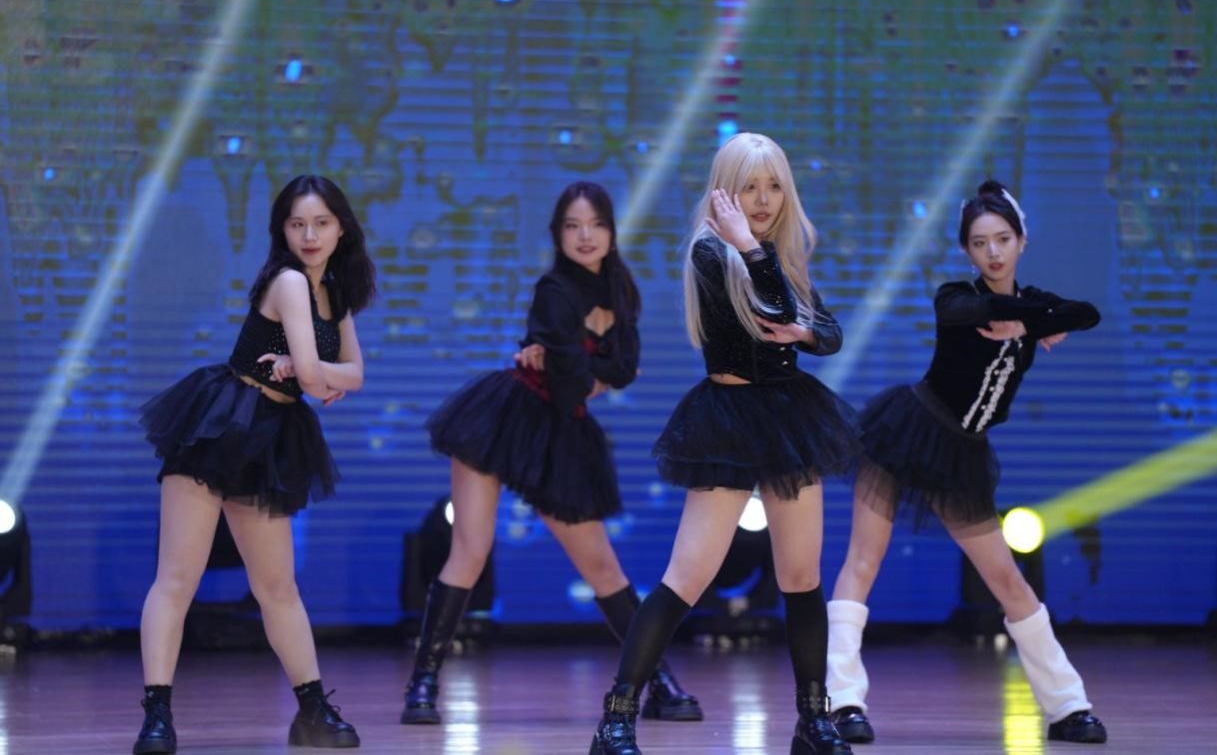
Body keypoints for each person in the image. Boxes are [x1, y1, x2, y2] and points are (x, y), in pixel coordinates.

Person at [589, 132, 863, 755]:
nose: (763, 200)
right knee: (687, 576)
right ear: (724, 193)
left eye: (774, 187)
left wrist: (803, 328)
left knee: (802, 576)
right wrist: (751, 250)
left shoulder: (781, 254)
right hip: (729, 417)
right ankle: (616, 719)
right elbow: (775, 313)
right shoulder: (711, 252)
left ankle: (813, 720)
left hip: (790, 416)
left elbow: (828, 333)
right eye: (749, 187)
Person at [404, 181, 701, 727]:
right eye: (572, 226)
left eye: (596, 224)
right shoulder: (553, 290)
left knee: (601, 566)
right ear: (557, 234)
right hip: (505, 418)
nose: (585, 236)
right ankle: (422, 684)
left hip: (563, 434)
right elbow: (574, 382)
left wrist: (580, 364)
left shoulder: (622, 292)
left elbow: (623, 369)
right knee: (469, 550)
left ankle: (657, 681)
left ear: (611, 231)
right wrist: (588, 367)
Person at [824, 180, 1107, 745]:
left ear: (1022, 240)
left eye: (1003, 239)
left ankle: (1068, 706)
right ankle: (842, 701)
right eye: (980, 243)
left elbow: (1088, 312)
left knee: (1005, 577)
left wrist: (1034, 322)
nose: (993, 252)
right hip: (908, 431)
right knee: (864, 559)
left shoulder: (1032, 305)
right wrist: (1040, 319)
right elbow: (985, 308)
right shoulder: (956, 297)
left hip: (963, 455)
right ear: (966, 250)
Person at [134, 175, 376, 753]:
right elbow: (320, 379)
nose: (309, 235)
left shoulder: (335, 293)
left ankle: (312, 710)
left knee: (276, 586)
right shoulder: (289, 282)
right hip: (222, 423)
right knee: (177, 578)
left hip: (269, 435)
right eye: (297, 224)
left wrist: (307, 369)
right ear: (282, 231)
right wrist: (312, 372)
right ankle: (157, 715)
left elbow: (354, 375)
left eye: (321, 223)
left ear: (341, 229)